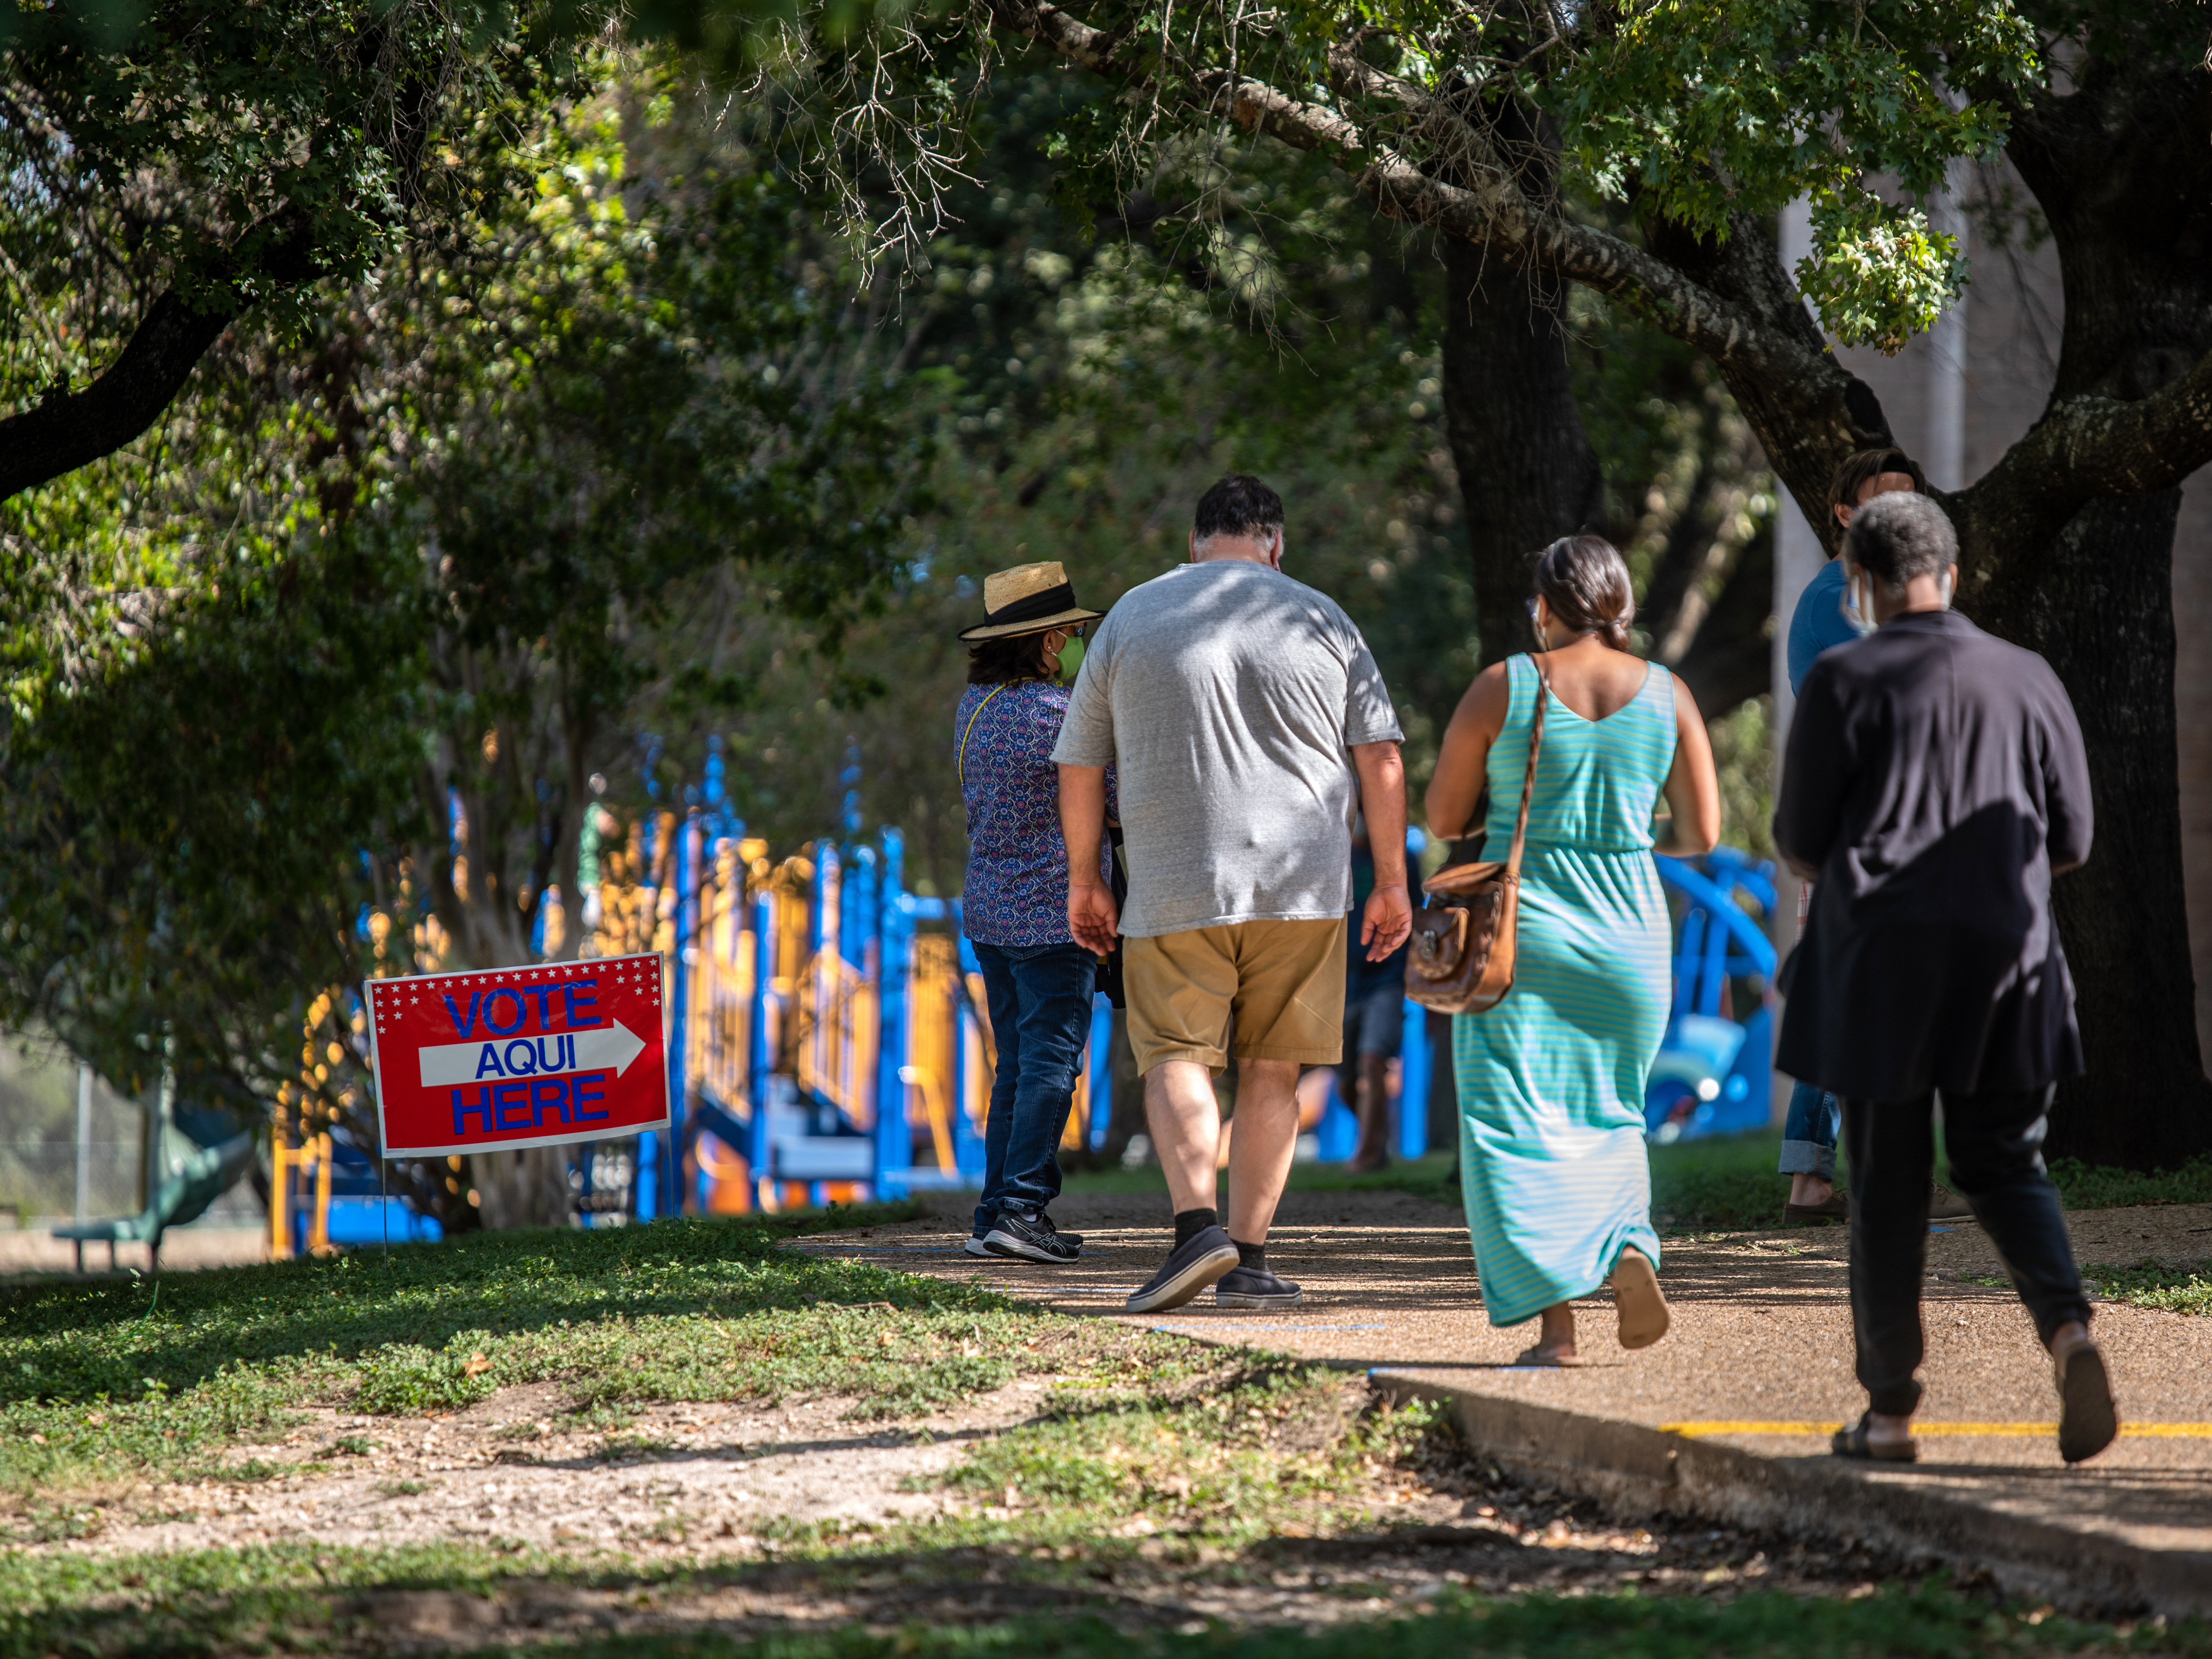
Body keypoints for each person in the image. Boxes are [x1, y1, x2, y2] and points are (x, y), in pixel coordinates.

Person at [1775, 491, 2116, 1465]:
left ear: (1861, 586)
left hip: (1881, 965)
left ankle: (1889, 1414)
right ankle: (2069, 1332)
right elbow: (2075, 838)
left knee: (1885, 1182)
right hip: (2011, 955)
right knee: (2007, 1161)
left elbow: (1802, 839)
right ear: (1952, 573)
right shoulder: (2029, 676)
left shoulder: (1845, 678)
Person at [1055, 474, 1413, 1314]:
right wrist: (1392, 884)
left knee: (1177, 1054)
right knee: (1273, 1070)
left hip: (1177, 884)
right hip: (1305, 889)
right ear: (1275, 545)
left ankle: (1195, 1233)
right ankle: (1247, 1256)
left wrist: (1084, 878)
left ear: (1194, 543)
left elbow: (1078, 762)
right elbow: (1383, 757)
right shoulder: (1323, 618)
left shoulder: (1133, 616)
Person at [1424, 536, 1720, 1366]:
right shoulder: (1669, 692)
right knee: (1614, 1111)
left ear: (1545, 607)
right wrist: (1617, 819)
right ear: (1621, 605)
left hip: (1526, 930)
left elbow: (1445, 818)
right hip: (1631, 929)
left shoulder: (1506, 685)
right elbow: (1702, 832)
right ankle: (1628, 1242)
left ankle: (1557, 1332)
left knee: (1510, 1124)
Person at [1779, 448, 1970, 1226]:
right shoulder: (1838, 596)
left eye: (1911, 499)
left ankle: (1819, 1178)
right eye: (1882, 499)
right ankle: (1838, 1177)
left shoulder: (1894, 600)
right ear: (1844, 514)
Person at [955, 560, 1108, 1264]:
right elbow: (1109, 805)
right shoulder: (1058, 715)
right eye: (1075, 633)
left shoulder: (975, 710)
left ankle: (995, 1209)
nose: (1080, 643)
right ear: (1049, 642)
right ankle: (1021, 1209)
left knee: (1015, 1064)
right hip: (1055, 916)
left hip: (991, 914)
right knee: (1052, 1061)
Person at [1340, 817, 1415, 1172]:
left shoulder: (1403, 861)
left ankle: (1367, 1155)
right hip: (1345, 980)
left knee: (1373, 1059)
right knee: (1343, 1082)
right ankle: (1378, 1138)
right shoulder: (1338, 858)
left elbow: (1418, 916)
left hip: (1388, 976)